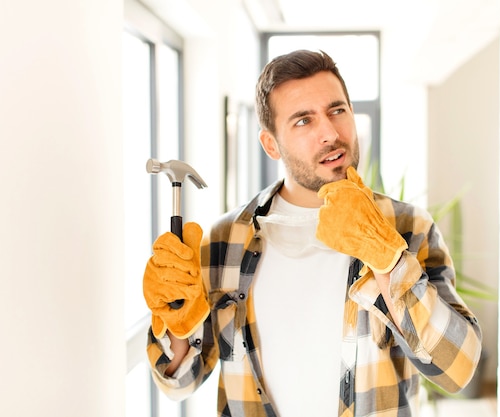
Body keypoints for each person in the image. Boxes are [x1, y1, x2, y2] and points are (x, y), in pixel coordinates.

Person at [143, 49, 482, 417]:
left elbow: (457, 370)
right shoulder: (226, 240)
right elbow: (179, 381)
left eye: (337, 111)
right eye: (303, 121)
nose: (330, 133)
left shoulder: (409, 227)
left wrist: (388, 259)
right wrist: (176, 320)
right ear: (271, 144)